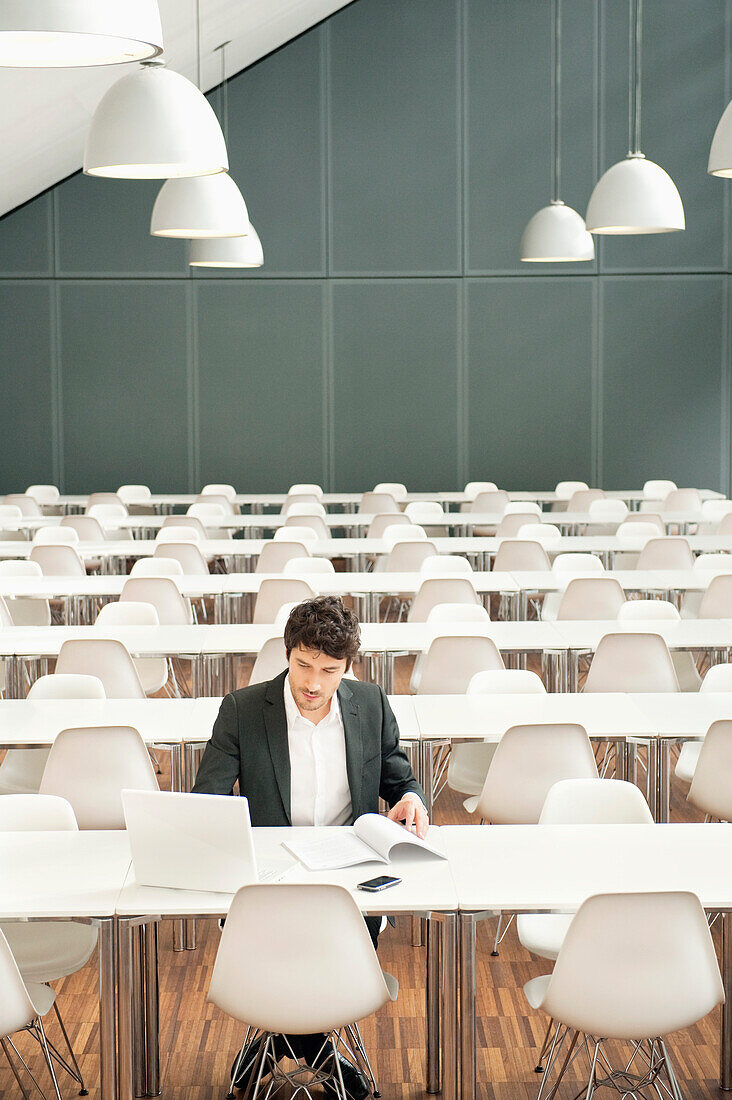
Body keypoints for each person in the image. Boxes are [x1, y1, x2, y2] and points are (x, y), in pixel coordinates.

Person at [192, 594, 428, 1098]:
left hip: (351, 885)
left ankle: (275, 1044)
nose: (313, 683)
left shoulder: (370, 705)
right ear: (287, 654)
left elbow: (399, 776)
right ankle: (323, 1057)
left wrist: (410, 797)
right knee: (299, 960)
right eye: (302, 665)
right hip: (267, 886)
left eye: (329, 669)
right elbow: (207, 803)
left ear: (348, 666)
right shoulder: (242, 710)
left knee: (327, 954)